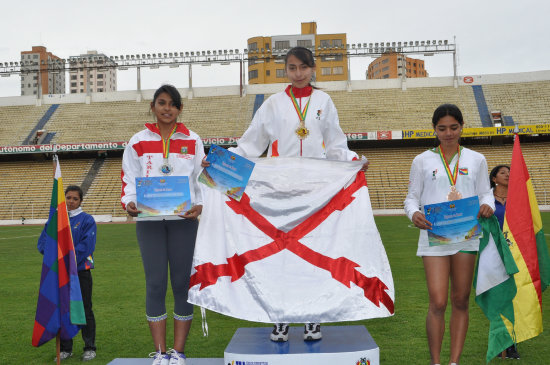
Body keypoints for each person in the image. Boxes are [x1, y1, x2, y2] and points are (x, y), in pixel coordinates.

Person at [202, 46, 368, 342]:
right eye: (292, 68)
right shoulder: (273, 104)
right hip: (279, 191)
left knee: (312, 253)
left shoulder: (324, 101)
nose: (298, 73)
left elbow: (335, 144)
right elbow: (250, 145)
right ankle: (279, 317)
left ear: (312, 68)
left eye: (303, 67)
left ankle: (312, 317)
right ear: (286, 71)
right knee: (280, 256)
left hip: (316, 191)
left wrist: (353, 160)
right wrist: (220, 160)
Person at [404, 104, 494, 365]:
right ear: (434, 129)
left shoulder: (476, 159)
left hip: (467, 235)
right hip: (435, 237)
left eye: (453, 127)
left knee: (461, 299)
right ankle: (436, 362)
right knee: (439, 301)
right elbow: (411, 199)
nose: (448, 133)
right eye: (442, 128)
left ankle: (454, 362)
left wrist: (487, 203)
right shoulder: (421, 160)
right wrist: (414, 214)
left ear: (461, 127)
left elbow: (485, 192)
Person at [121, 85, 204, 365]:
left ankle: (178, 353)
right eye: (161, 103)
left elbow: (200, 179)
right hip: (150, 221)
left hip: (184, 221)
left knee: (182, 285)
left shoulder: (193, 139)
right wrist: (129, 202)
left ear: (179, 109)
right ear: (153, 106)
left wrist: (200, 204)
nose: (167, 108)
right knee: (155, 285)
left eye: (172, 104)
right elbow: (129, 178)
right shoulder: (137, 141)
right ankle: (159, 353)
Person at [37, 185, 97, 361]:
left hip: (79, 272)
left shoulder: (87, 220)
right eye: (68, 198)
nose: (71, 201)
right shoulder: (55, 219)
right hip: (58, 273)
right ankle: (65, 348)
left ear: (80, 201)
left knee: (85, 309)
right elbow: (43, 244)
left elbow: (86, 246)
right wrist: (55, 260)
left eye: (75, 199)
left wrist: (65, 260)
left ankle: (89, 347)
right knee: (62, 309)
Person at [490, 164, 520, 360]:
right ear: (494, 178)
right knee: (498, 301)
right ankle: (500, 342)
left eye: (509, 172)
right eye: (503, 172)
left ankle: (511, 344)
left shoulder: (518, 199)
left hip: (516, 255)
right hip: (493, 255)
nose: (508, 175)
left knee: (513, 300)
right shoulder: (486, 200)